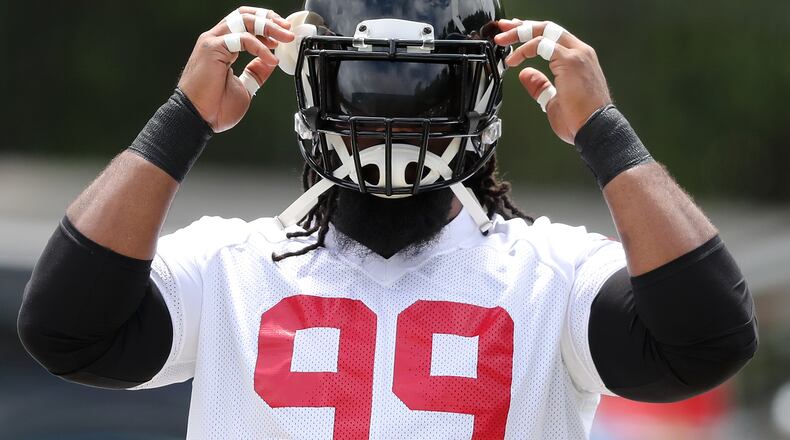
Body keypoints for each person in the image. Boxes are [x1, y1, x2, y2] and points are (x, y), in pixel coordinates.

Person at [18, 1, 758, 438]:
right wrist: (180, 122)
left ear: (477, 93)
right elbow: (65, 328)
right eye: (364, 81)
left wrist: (605, 131)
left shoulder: (552, 276)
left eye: (422, 85)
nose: (391, 110)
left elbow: (706, 340)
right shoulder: (227, 267)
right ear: (313, 81)